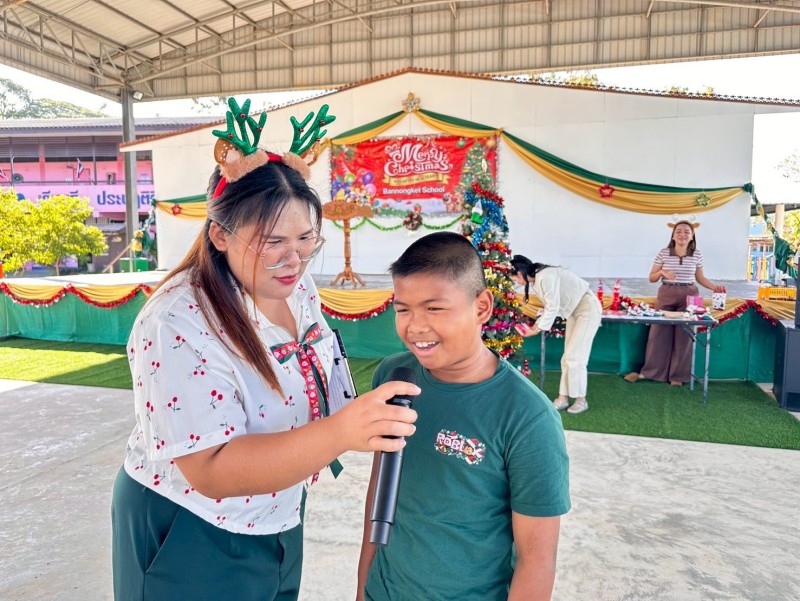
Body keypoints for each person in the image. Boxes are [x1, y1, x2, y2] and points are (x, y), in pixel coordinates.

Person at [111, 99, 418, 601]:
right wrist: (342, 431)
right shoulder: (176, 320)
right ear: (219, 234)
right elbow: (210, 469)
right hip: (191, 527)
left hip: (278, 510)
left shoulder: (294, 286)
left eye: (305, 240)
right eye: (272, 242)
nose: (293, 260)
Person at [357, 232, 570, 601]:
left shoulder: (527, 416)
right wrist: (364, 589)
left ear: (482, 307)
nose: (415, 326)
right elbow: (380, 492)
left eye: (434, 309)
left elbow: (537, 559)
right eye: (403, 309)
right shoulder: (394, 377)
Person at [624, 220, 725, 386]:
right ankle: (651, 373)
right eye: (678, 231)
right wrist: (661, 272)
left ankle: (678, 377)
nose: (682, 234)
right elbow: (652, 278)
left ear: (692, 236)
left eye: (686, 232)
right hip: (666, 292)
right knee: (658, 334)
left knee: (685, 336)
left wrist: (715, 287)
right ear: (673, 235)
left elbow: (700, 278)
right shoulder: (664, 253)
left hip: (689, 294)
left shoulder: (697, 254)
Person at [509, 255, 602, 415]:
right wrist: (537, 325)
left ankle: (581, 400)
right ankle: (563, 398)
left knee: (575, 358)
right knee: (567, 358)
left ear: (519, 273)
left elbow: (553, 307)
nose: (517, 282)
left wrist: (535, 329)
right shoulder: (538, 278)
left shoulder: (544, 276)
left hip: (587, 309)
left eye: (515, 279)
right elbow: (552, 306)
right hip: (573, 311)